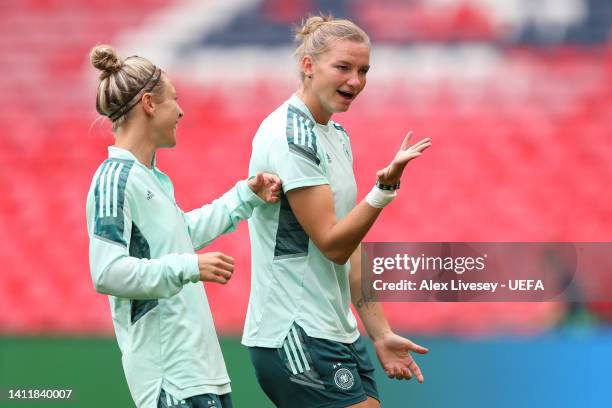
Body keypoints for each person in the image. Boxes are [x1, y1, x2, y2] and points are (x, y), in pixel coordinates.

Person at [244, 15, 432, 408]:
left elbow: (350, 244)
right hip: (294, 332)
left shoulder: (335, 135)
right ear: (308, 66)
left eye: (363, 70)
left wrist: (379, 332)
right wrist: (383, 190)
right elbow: (332, 243)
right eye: (343, 67)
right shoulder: (291, 136)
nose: (356, 81)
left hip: (337, 333)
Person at [85, 44, 281, 408]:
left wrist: (245, 196)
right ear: (148, 104)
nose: (181, 110)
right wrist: (190, 266)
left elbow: (179, 236)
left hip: (200, 372)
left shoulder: (151, 178)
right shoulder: (114, 177)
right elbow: (107, 272)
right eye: (174, 99)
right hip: (169, 379)